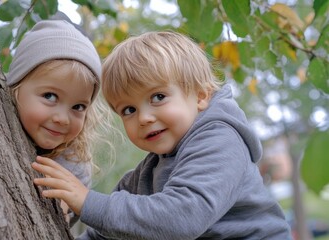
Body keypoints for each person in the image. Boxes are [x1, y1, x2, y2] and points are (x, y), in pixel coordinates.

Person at [31, 31, 292, 239]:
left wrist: (87, 202)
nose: (144, 118)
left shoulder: (221, 140)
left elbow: (184, 217)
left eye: (158, 97)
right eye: (129, 109)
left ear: (200, 95)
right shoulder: (148, 172)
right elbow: (109, 231)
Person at [5, 18, 108, 225]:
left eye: (78, 107)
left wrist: (66, 210)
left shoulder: (74, 165)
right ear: (16, 86)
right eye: (50, 96)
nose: (62, 119)